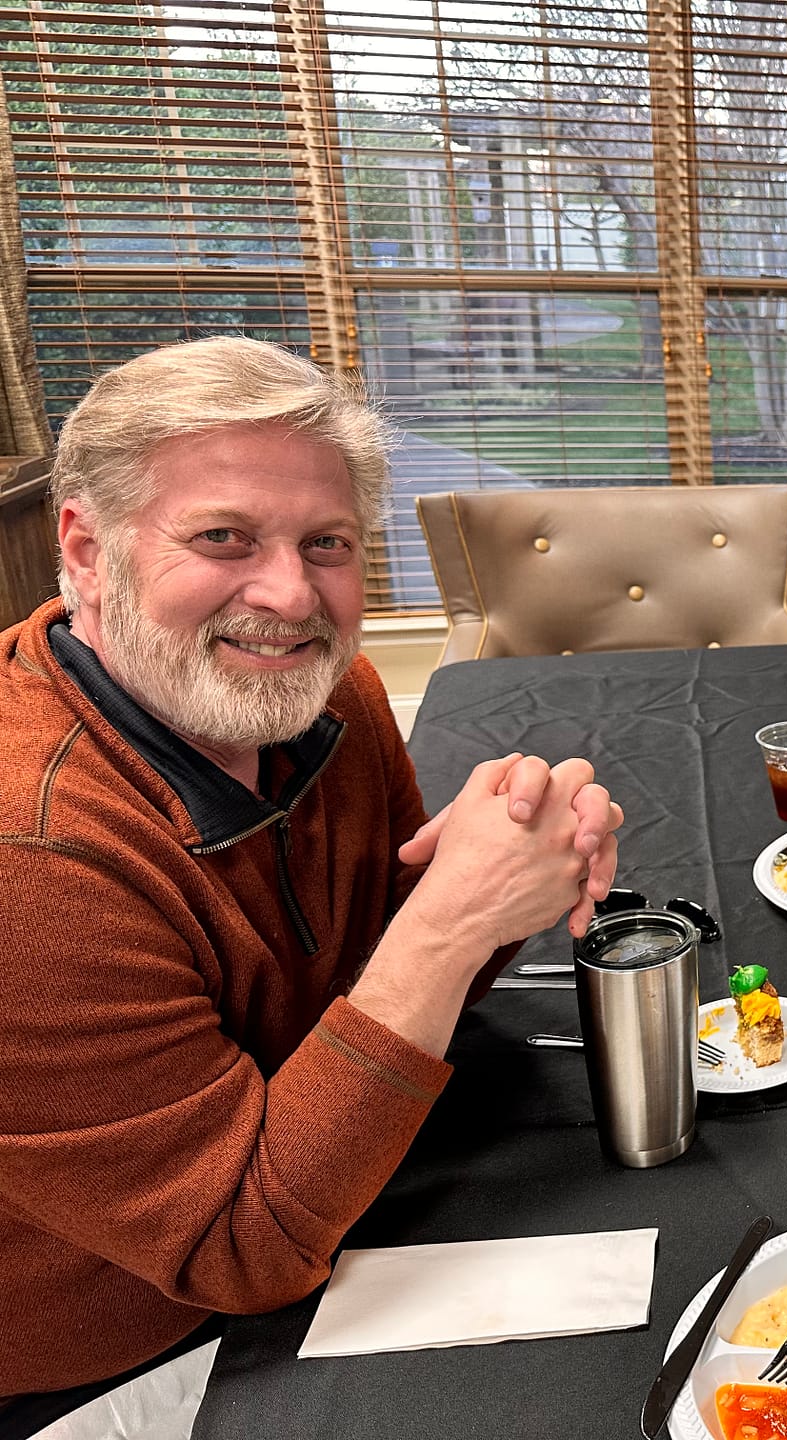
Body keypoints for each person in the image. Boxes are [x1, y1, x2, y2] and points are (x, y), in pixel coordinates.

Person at [0, 337, 625, 1429]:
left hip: (329, 1185)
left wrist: (510, 865)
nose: (290, 595)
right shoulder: (32, 856)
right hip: (136, 1346)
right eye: (222, 536)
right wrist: (449, 924)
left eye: (326, 542)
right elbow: (237, 1248)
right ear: (88, 551)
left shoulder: (336, 697)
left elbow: (394, 975)